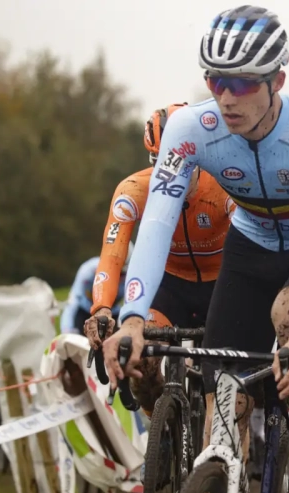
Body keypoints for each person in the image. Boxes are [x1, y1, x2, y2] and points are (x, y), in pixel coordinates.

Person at [102, 6, 289, 493]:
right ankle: (224, 466)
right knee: (224, 390)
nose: (225, 97)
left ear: (277, 79)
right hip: (249, 245)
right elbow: (155, 223)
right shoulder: (189, 128)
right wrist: (132, 316)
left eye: (241, 83)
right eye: (215, 80)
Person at [84, 104, 235, 416]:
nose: (172, 177)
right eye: (162, 165)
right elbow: (112, 255)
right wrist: (101, 310)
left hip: (222, 285)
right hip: (167, 287)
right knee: (143, 367)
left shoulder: (225, 185)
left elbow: (252, 245)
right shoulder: (133, 190)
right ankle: (162, 448)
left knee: (233, 381)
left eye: (183, 166)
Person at [59, 250, 129, 334]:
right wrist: (67, 329)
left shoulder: (129, 276)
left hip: (112, 313)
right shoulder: (88, 271)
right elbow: (73, 301)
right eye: (114, 272)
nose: (118, 278)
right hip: (84, 311)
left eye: (122, 274)